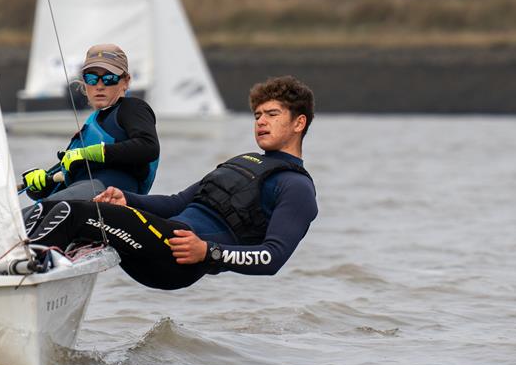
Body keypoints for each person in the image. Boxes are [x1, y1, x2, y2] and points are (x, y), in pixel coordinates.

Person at [25, 76, 318, 290]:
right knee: (53, 208)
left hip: (177, 255)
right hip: (157, 237)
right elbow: (178, 202)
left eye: (272, 115)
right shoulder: (242, 161)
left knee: (71, 212)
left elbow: (273, 257)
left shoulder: (296, 187)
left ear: (299, 123)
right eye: (257, 115)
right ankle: (23, 275)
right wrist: (128, 200)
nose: (261, 122)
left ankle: (21, 276)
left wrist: (208, 251)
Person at [22, 43, 160, 201]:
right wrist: (37, 185)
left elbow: (148, 146)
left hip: (114, 195)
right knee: (37, 212)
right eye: (92, 78)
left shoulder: (132, 108)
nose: (99, 86)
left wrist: (90, 153)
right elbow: (60, 185)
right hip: (83, 195)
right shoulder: (91, 126)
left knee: (48, 210)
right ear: (84, 82)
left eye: (109, 78)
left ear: (126, 82)